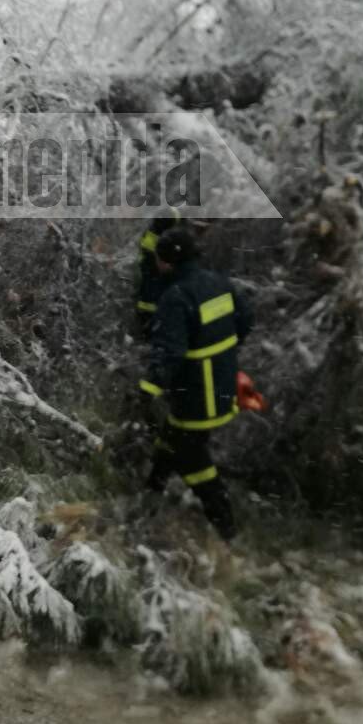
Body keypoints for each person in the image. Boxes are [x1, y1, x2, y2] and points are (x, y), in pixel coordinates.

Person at [139, 228, 253, 543]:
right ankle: (148, 500)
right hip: (223, 387)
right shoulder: (218, 283)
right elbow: (245, 319)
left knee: (192, 458)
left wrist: (148, 389)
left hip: (196, 395)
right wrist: (222, 353)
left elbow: (170, 353)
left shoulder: (175, 297)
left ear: (167, 262)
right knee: (169, 440)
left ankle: (226, 529)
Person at [135, 212, 181, 338]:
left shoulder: (152, 235)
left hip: (148, 291)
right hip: (153, 293)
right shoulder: (159, 242)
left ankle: (146, 331)